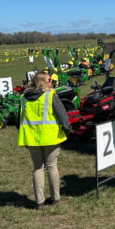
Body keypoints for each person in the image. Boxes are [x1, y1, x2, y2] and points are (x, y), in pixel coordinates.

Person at [17, 71, 73, 210]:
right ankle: (55, 198)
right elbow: (62, 114)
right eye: (49, 80)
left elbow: (19, 119)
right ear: (42, 82)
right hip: (50, 137)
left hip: (31, 139)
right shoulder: (50, 95)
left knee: (37, 168)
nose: (51, 82)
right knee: (52, 166)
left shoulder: (23, 98)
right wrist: (67, 129)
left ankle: (39, 201)